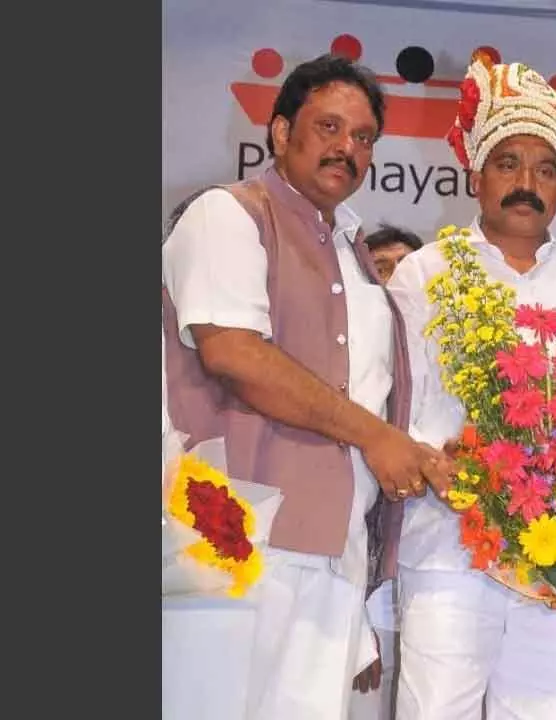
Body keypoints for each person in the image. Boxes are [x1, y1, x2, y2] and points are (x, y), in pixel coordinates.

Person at [162, 53, 454, 720]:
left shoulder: (353, 250)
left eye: (363, 138)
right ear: (281, 131)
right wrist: (380, 438)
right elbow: (235, 352)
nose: (346, 149)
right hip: (232, 543)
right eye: (328, 127)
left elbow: (370, 394)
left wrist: (423, 457)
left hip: (336, 550)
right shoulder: (230, 215)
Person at [386, 56, 556, 720]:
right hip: (448, 546)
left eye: (545, 169)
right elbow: (394, 406)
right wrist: (450, 467)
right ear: (476, 174)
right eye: (508, 164)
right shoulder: (426, 273)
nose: (526, 183)